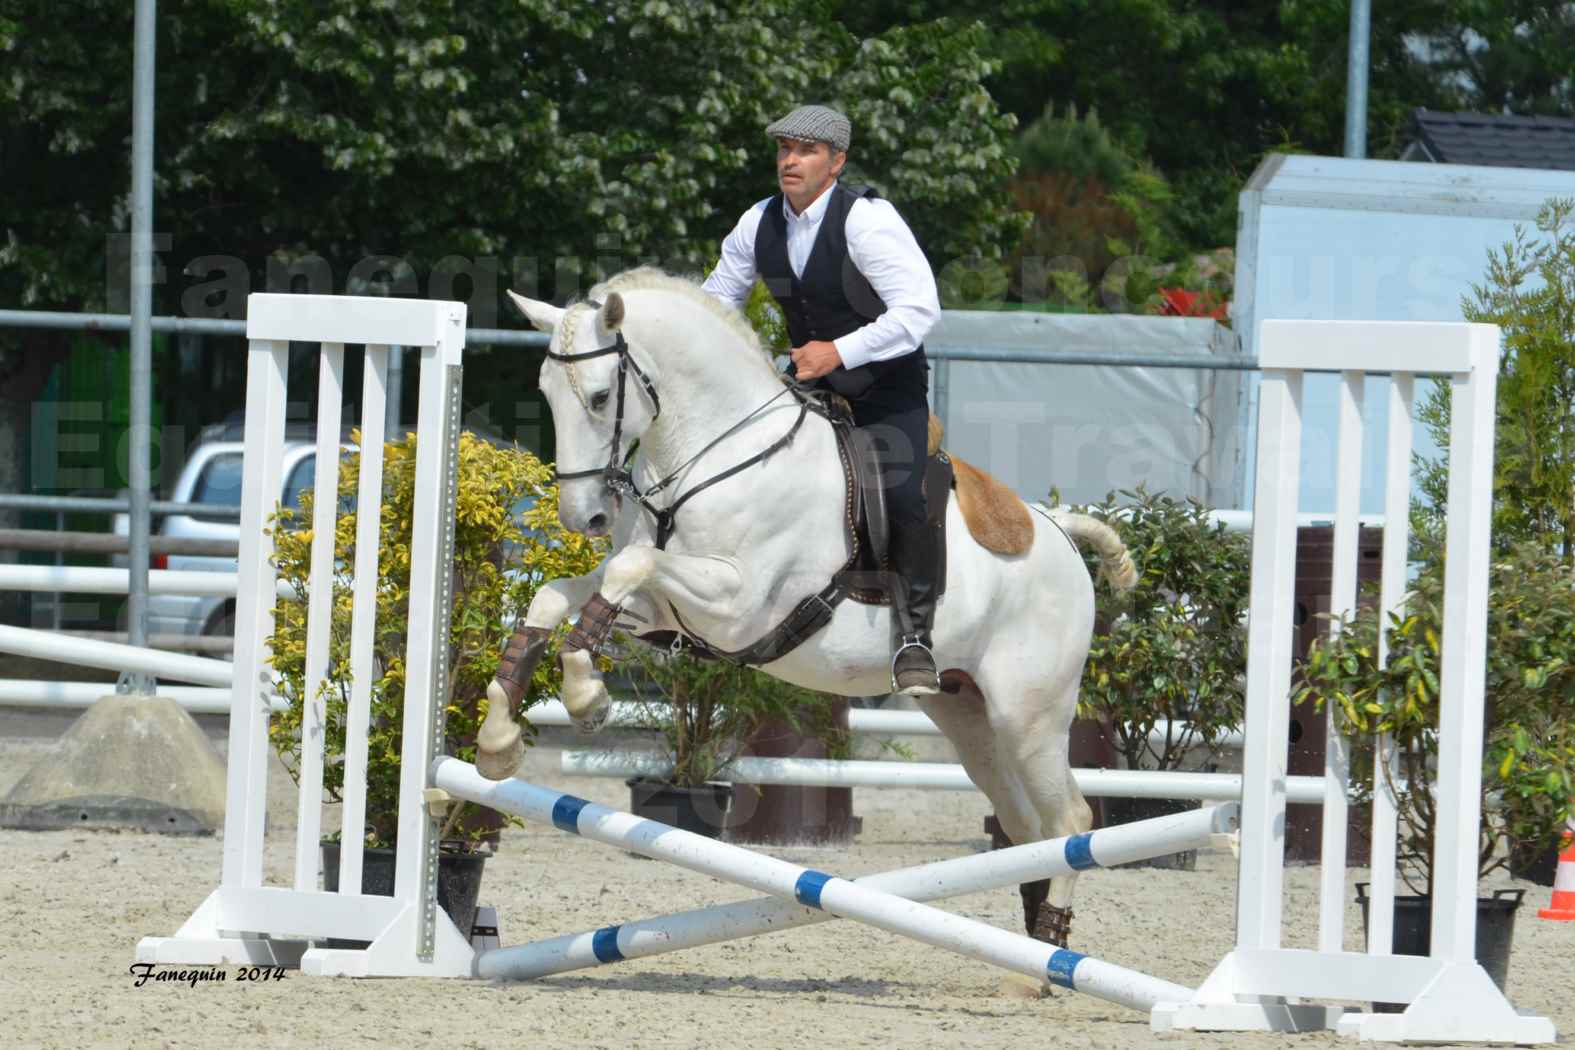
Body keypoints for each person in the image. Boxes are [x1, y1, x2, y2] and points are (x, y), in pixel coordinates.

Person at [702, 103, 944, 696]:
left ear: (836, 162)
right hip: (809, 386)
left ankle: (914, 638)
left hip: (886, 390)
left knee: (905, 491)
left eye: (805, 151)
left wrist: (838, 351)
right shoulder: (757, 221)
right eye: (784, 148)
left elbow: (919, 311)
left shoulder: (868, 220)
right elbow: (714, 304)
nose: (790, 160)